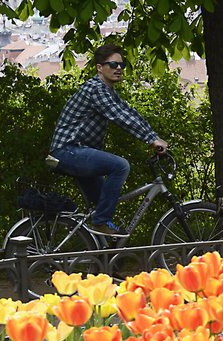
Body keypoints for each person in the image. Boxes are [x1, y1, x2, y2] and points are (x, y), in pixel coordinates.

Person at [49, 43, 168, 237]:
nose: (118, 68)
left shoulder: (107, 91)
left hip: (77, 151)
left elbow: (129, 113)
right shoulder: (96, 89)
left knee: (99, 206)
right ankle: (101, 222)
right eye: (113, 64)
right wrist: (150, 140)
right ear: (99, 68)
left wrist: (153, 136)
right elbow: (119, 117)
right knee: (120, 166)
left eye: (122, 65)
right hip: (68, 151)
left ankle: (105, 252)